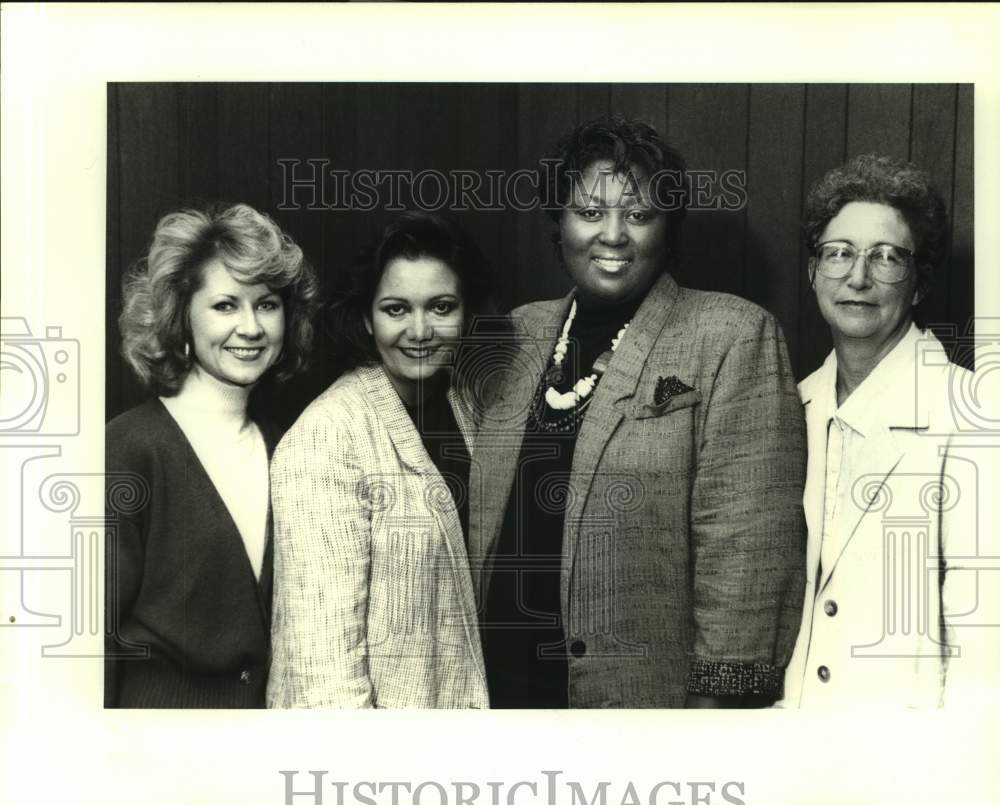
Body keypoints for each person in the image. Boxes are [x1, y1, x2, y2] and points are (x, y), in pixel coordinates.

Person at [471, 114, 807, 708]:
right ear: (559, 223)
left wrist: (718, 708)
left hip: (644, 702)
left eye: (640, 214)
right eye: (590, 212)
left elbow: (748, 548)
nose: (614, 234)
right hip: (500, 687)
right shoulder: (520, 333)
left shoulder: (732, 334)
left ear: (668, 228)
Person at [781, 154, 994, 708]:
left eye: (887, 258)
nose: (857, 277)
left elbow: (983, 635)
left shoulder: (971, 411)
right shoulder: (792, 406)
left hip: (906, 754)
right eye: (839, 253)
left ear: (919, 284)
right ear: (813, 273)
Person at [267, 211, 496, 708]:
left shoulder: (467, 405)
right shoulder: (328, 436)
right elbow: (322, 666)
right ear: (367, 318)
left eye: (441, 306)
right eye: (396, 309)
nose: (419, 330)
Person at [105, 203, 320, 708]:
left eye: (266, 304)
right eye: (225, 305)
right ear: (181, 317)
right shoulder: (129, 449)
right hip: (152, 756)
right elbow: (85, 645)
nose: (250, 327)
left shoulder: (291, 446)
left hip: (257, 756)